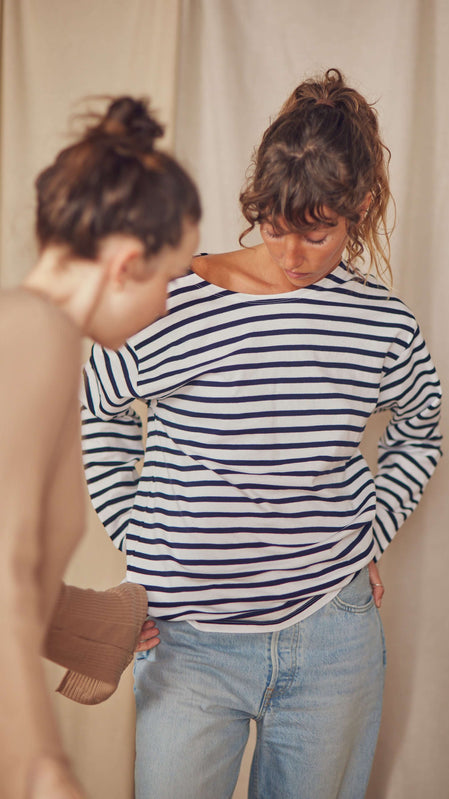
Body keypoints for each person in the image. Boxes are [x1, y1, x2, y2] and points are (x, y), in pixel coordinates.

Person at [81, 69, 442, 799]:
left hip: (330, 638)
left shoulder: (380, 322)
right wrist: (138, 536)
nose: (291, 253)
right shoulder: (165, 299)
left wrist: (368, 532)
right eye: (275, 226)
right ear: (257, 204)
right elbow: (99, 410)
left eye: (316, 233)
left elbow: (420, 426)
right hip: (185, 644)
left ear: (360, 208)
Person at [0, 96, 200, 798]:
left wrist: (101, 620)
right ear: (123, 264)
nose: (170, 305)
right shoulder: (37, 336)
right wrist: (42, 769)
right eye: (171, 279)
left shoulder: (30, 332)